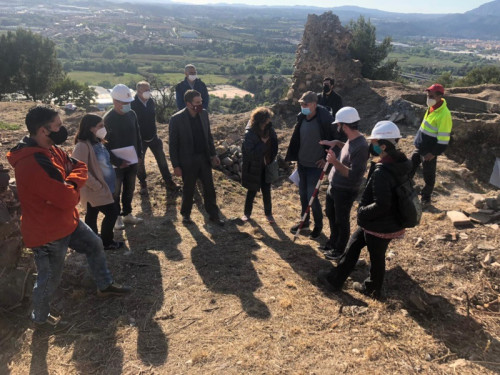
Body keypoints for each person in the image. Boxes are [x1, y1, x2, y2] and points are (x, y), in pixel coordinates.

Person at [7, 105, 131, 327]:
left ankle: (104, 285)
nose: (62, 129)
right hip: (46, 232)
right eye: (58, 126)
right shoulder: (32, 163)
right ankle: (40, 320)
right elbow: (67, 198)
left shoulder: (51, 149)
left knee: (94, 244)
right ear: (43, 130)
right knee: (49, 279)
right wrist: (72, 185)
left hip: (66, 221)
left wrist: (69, 182)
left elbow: (78, 166)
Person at [318, 121, 410, 299]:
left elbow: (382, 204)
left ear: (383, 145)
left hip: (378, 223)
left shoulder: (383, 171)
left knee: (372, 255)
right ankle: (346, 282)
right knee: (360, 249)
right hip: (390, 221)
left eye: (374, 143)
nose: (371, 146)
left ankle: (353, 284)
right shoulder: (403, 163)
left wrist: (362, 212)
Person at [285, 91, 345, 239]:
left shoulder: (325, 120)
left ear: (314, 104)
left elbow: (338, 141)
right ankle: (304, 222)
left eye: (305, 104)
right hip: (302, 164)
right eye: (301, 104)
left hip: (315, 166)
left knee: (313, 196)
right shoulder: (302, 118)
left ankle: (318, 226)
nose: (303, 107)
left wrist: (326, 159)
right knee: (303, 194)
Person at [319, 107, 369, 260]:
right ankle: (333, 243)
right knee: (331, 214)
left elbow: (353, 175)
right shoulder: (351, 139)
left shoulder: (361, 146)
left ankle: (340, 250)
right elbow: (348, 149)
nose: (338, 127)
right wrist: (337, 143)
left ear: (345, 126)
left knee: (341, 220)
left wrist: (334, 162)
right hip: (334, 186)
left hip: (345, 190)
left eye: (339, 125)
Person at [169, 89, 224, 226]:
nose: (200, 104)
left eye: (201, 102)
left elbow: (209, 137)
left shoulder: (204, 114)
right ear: (188, 104)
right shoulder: (176, 119)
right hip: (188, 161)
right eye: (197, 102)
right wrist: (176, 165)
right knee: (189, 189)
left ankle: (213, 214)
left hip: (204, 158)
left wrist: (213, 154)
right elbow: (173, 144)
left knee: (209, 188)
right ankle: (186, 215)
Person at [72, 114, 124, 250]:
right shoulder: (82, 146)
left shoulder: (98, 142)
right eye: (100, 126)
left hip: (104, 187)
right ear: (90, 128)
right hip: (95, 189)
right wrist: (97, 186)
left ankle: (93, 241)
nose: (104, 128)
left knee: (92, 213)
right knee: (112, 213)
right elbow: (80, 169)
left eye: (103, 125)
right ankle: (107, 242)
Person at [104, 84, 143, 230]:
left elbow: (138, 135)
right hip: (116, 164)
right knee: (115, 191)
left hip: (132, 160)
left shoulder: (132, 114)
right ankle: (116, 217)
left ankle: (127, 213)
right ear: (115, 101)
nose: (127, 105)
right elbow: (104, 146)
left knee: (130, 188)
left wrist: (139, 154)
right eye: (124, 103)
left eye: (129, 102)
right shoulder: (108, 119)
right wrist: (118, 161)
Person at [131, 81, 179, 195]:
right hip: (140, 139)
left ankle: (168, 181)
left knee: (162, 160)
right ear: (138, 91)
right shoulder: (132, 105)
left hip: (153, 137)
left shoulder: (151, 102)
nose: (148, 92)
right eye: (145, 90)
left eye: (149, 89)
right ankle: (143, 183)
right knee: (140, 163)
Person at [409, 83, 453, 205]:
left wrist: (434, 153)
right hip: (420, 146)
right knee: (410, 166)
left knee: (428, 175)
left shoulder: (444, 114)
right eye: (428, 96)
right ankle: (405, 188)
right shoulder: (432, 108)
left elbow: (444, 139)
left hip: (429, 151)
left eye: (432, 96)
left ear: (440, 96)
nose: (429, 98)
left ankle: (426, 198)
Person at [241, 107, 278, 223]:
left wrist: (270, 159)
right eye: (267, 119)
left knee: (266, 190)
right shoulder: (250, 133)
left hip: (266, 165)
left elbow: (274, 144)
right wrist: (262, 143)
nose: (269, 121)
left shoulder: (269, 129)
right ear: (262, 120)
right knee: (251, 191)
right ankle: (247, 214)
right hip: (254, 167)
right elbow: (250, 153)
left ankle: (268, 214)